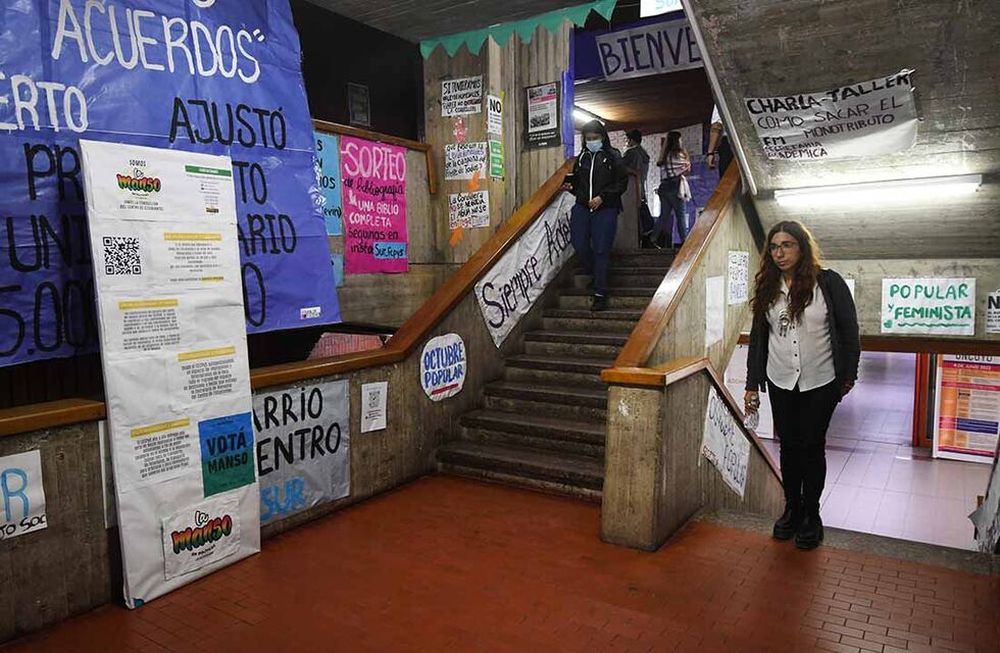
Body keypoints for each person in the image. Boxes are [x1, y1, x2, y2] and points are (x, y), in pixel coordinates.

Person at [744, 221, 860, 550]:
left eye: (787, 245)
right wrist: (752, 383)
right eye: (775, 247)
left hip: (821, 380)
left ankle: (812, 514)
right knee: (789, 447)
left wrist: (848, 375)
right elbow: (758, 340)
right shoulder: (768, 286)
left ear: (802, 247)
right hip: (780, 379)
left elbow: (850, 333)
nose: (780, 253)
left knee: (812, 446)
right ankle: (791, 509)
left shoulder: (829, 283)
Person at [567, 120, 628, 312]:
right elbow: (579, 184)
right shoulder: (582, 158)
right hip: (583, 207)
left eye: (595, 138)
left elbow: (622, 182)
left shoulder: (613, 156)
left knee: (601, 249)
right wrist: (571, 187)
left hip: (606, 208)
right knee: (579, 243)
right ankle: (596, 273)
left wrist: (603, 197)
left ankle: (600, 292)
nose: (592, 141)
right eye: (588, 139)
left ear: (603, 137)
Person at [651, 131, 691, 249]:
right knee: (680, 215)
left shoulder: (663, 156)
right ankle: (685, 242)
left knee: (663, 215)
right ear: (677, 141)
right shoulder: (678, 155)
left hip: (663, 187)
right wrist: (686, 154)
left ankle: (652, 239)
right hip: (676, 185)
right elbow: (687, 168)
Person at [622, 129, 654, 246]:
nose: (625, 142)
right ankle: (646, 239)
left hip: (630, 189)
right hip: (641, 187)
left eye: (626, 139)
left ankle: (637, 241)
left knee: (633, 217)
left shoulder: (631, 153)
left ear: (631, 140)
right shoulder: (644, 154)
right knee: (641, 213)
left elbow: (621, 168)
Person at [707, 104, 733, 179]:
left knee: (728, 182)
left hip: (730, 144)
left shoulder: (723, 97)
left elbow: (717, 126)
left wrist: (710, 153)